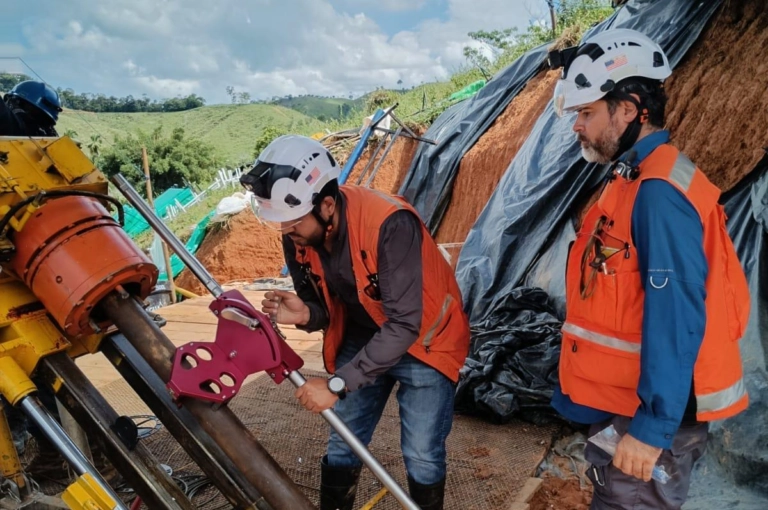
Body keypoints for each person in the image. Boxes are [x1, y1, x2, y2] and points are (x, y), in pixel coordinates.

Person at [549, 28, 750, 509]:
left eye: (587, 112)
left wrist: (652, 427)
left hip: (648, 418)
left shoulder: (658, 193)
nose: (577, 126)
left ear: (629, 108)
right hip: (627, 404)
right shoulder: (634, 178)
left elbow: (677, 313)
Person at [240, 135, 470, 510]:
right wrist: (307, 313)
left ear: (327, 205)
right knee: (343, 442)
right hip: (364, 336)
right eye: (280, 224)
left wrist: (336, 383)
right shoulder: (297, 231)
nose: (286, 233)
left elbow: (403, 324)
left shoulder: (389, 224)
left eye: (293, 223)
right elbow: (325, 305)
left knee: (421, 453)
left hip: (425, 341)